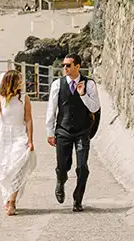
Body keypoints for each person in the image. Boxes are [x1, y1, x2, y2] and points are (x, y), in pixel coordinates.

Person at [45, 53, 101, 212]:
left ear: (77, 66)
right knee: (63, 166)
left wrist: (83, 94)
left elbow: (95, 108)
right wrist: (50, 132)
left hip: (82, 131)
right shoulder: (57, 84)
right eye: (63, 65)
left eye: (68, 65)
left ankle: (78, 200)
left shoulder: (89, 84)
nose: (65, 68)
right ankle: (60, 182)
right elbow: (52, 109)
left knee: (82, 167)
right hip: (63, 131)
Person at [0, 70, 37, 216]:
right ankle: (7, 197)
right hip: (3, 136)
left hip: (19, 135)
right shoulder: (0, 98)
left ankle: (12, 201)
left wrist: (30, 140)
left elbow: (28, 119)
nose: (22, 82)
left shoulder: (24, 98)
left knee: (18, 165)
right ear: (12, 81)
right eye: (19, 79)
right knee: (3, 168)